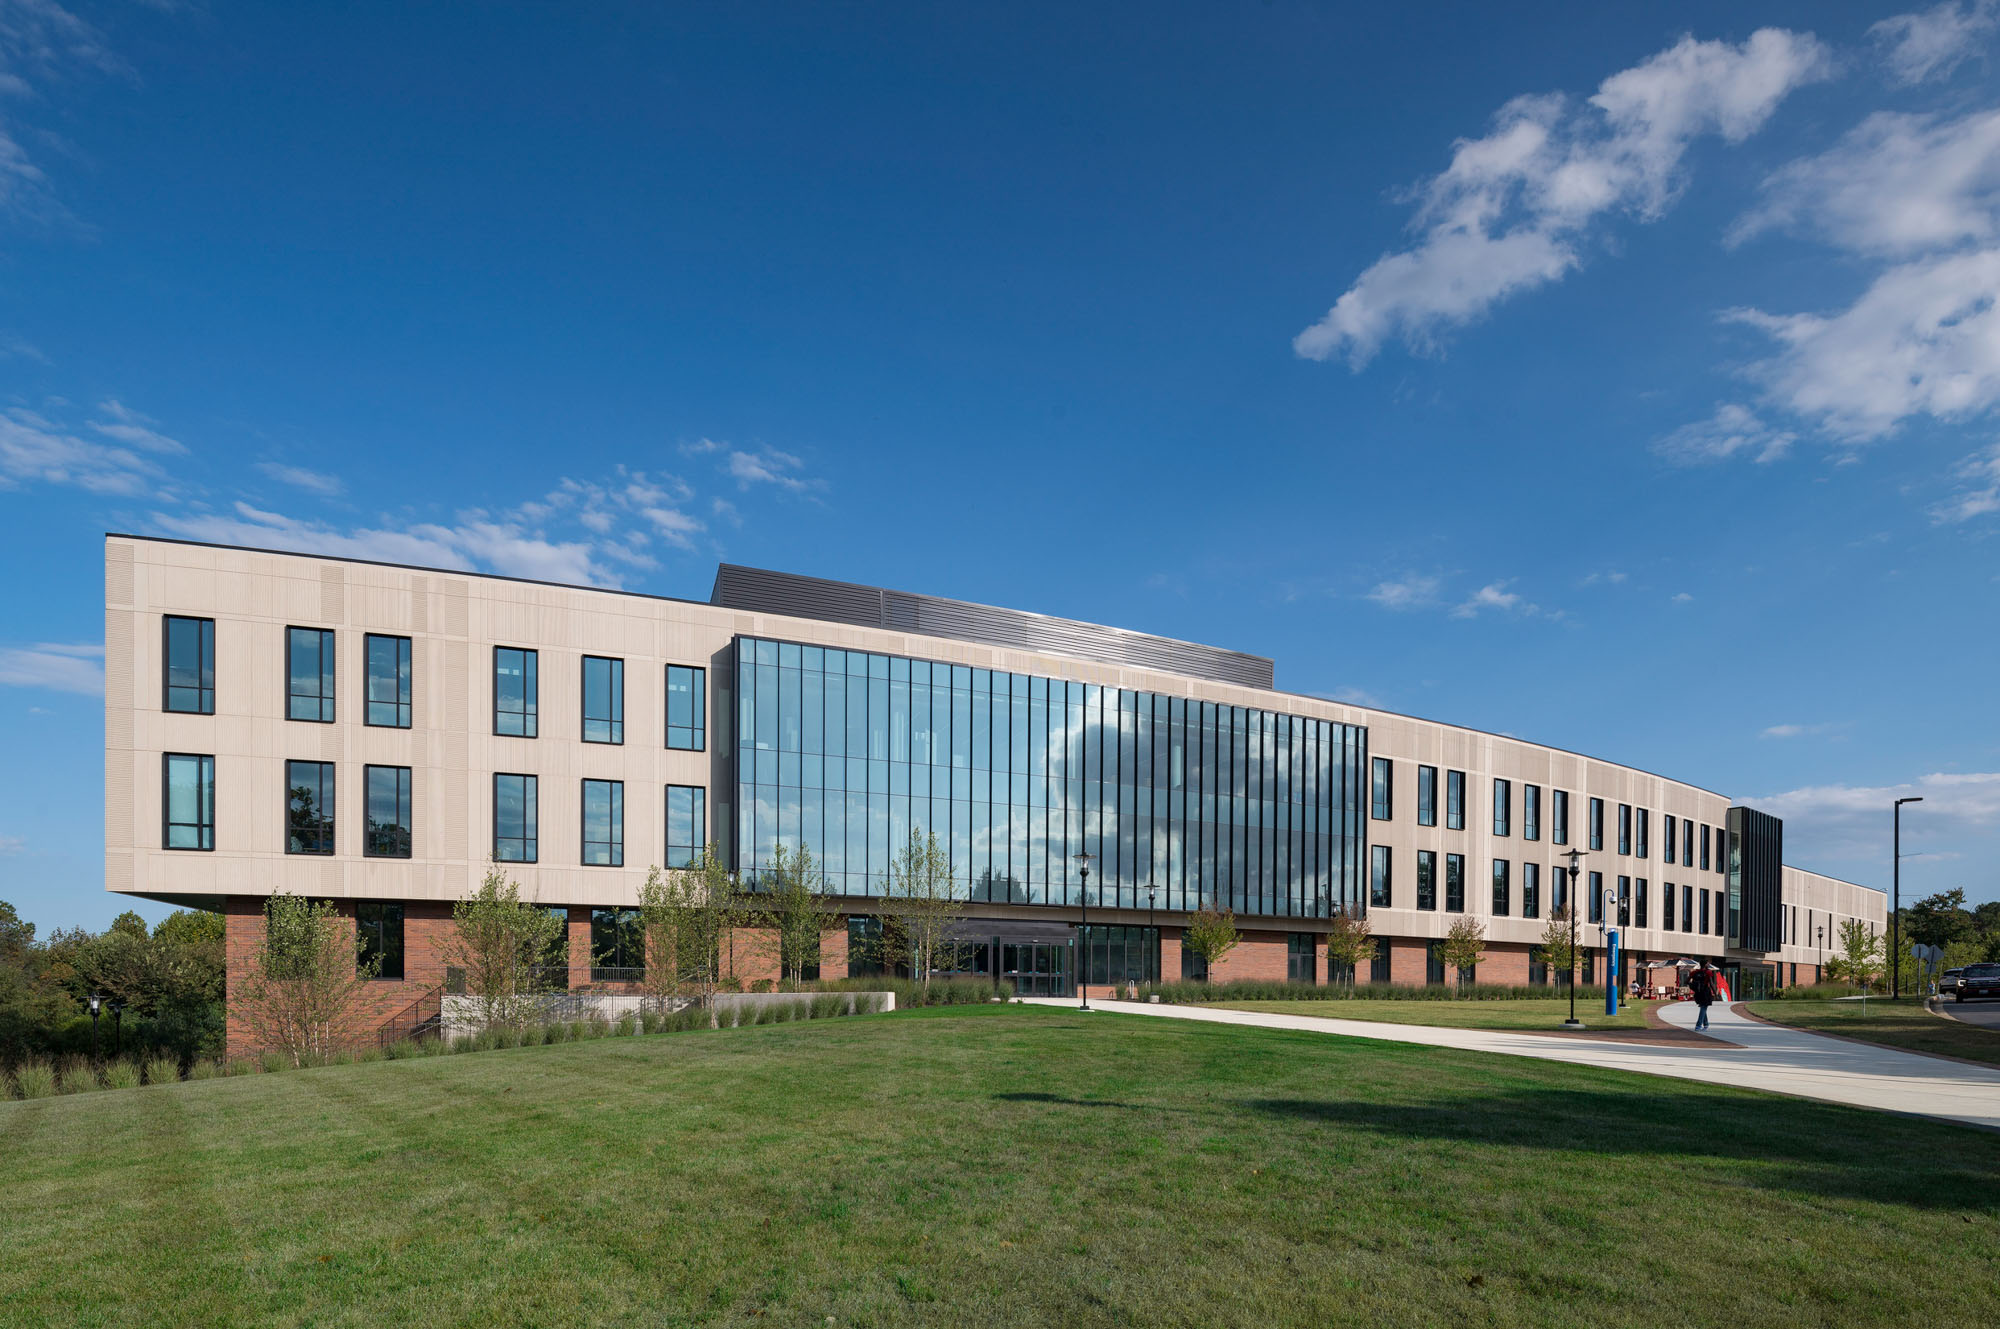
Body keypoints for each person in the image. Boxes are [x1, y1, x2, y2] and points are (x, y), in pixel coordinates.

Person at [1690, 961, 1717, 1031]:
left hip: (1697, 993)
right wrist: (1716, 994)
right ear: (1705, 965)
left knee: (1703, 1007)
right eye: (1708, 963)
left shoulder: (1694, 972)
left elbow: (1687, 981)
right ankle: (1698, 1025)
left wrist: (1694, 987)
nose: (1709, 964)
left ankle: (1706, 1024)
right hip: (1705, 992)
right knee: (1703, 1008)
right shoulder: (1708, 972)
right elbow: (1711, 984)